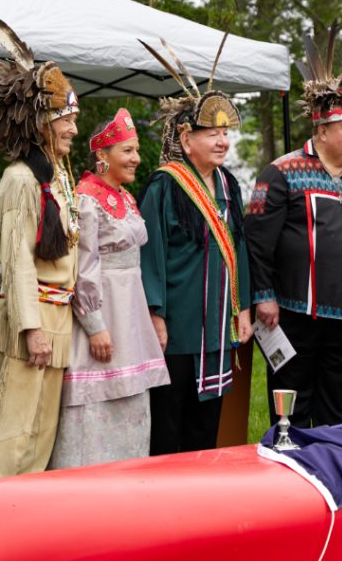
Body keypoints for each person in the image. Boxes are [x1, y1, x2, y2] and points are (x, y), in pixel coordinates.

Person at [245, 23, 342, 429]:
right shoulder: (281, 172)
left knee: (338, 405)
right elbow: (256, 241)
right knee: (291, 405)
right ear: (322, 130)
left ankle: (333, 472)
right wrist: (264, 296)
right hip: (292, 313)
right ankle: (287, 476)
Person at [0, 16, 82, 478]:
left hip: (57, 320)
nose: (75, 128)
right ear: (42, 124)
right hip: (29, 321)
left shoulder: (56, 178)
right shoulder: (20, 180)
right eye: (67, 119)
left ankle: (21, 528)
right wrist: (30, 329)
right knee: (9, 435)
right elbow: (16, 263)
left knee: (39, 436)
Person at [138, 35, 253, 455]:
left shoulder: (229, 186)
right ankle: (163, 507)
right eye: (212, 134)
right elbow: (151, 255)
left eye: (226, 133)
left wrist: (243, 307)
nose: (222, 141)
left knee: (207, 426)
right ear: (187, 140)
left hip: (217, 329)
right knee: (169, 423)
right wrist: (156, 314)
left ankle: (200, 500)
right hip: (178, 329)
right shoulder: (166, 185)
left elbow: (239, 249)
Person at [48, 108, 171, 468]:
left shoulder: (126, 197)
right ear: (102, 155)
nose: (136, 158)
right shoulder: (86, 198)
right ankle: (85, 482)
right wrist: (95, 325)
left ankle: (128, 478)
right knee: (96, 403)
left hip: (130, 314)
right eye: (126, 151)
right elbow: (82, 267)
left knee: (131, 401)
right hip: (104, 314)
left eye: (135, 150)